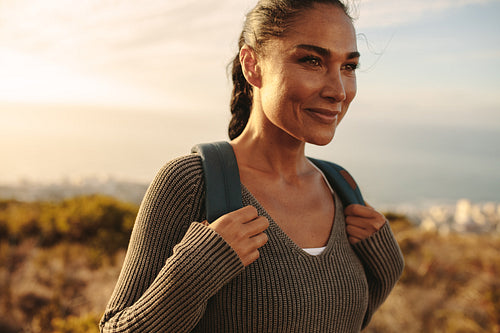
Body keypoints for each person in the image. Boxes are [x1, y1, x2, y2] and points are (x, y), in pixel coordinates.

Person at [99, 0, 404, 332]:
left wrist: (387, 266)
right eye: (312, 61)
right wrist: (199, 269)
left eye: (348, 67)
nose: (339, 91)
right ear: (252, 65)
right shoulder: (190, 183)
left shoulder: (342, 187)